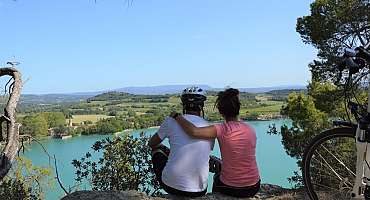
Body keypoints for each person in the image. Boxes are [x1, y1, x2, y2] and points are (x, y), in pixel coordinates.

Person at [170, 88, 260, 198]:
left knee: (217, 177)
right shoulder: (250, 129)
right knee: (219, 164)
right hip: (254, 186)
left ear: (221, 111)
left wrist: (177, 116)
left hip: (232, 188)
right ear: (238, 108)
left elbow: (193, 132)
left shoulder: (221, 129)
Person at [148, 86, 214, 197]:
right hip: (200, 190)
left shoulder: (170, 121)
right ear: (202, 106)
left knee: (156, 149)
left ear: (183, 105)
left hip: (170, 186)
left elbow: (151, 143)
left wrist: (165, 149)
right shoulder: (209, 128)